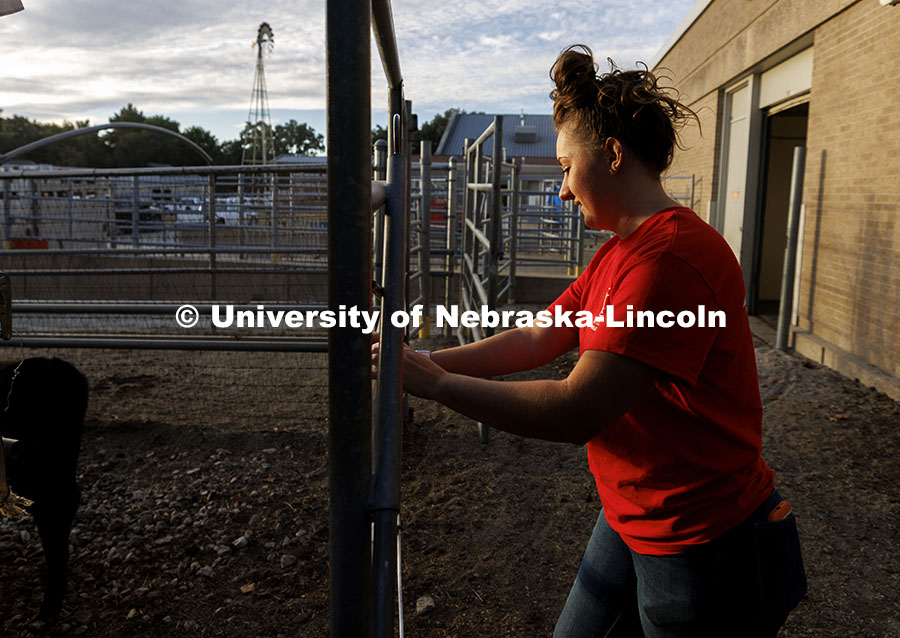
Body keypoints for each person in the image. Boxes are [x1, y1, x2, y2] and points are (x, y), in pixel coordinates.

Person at [379, 44, 806, 637]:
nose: (560, 190)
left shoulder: (669, 261)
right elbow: (537, 335)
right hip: (638, 516)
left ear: (610, 154)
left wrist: (440, 385)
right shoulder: (619, 254)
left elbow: (579, 408)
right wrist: (422, 361)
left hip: (705, 544)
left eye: (563, 167)